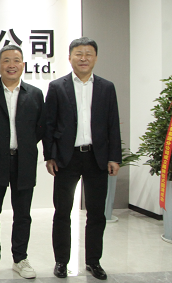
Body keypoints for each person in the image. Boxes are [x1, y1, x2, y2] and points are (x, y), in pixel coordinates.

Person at [43, 37, 121, 281]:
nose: (83, 58)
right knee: (62, 212)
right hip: (66, 159)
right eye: (79, 53)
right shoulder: (57, 87)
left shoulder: (107, 87)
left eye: (88, 54)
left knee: (96, 213)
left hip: (97, 158)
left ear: (95, 58)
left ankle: (93, 261)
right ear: (70, 57)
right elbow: (48, 124)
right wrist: (50, 156)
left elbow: (113, 124)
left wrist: (114, 157)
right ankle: (61, 261)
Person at [0, 44, 44, 280]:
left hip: (24, 161)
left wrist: (25, 145)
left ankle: (20, 258)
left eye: (16, 60)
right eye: (6, 60)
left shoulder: (35, 94)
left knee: (23, 214)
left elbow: (40, 128)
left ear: (23, 65)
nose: (11, 65)